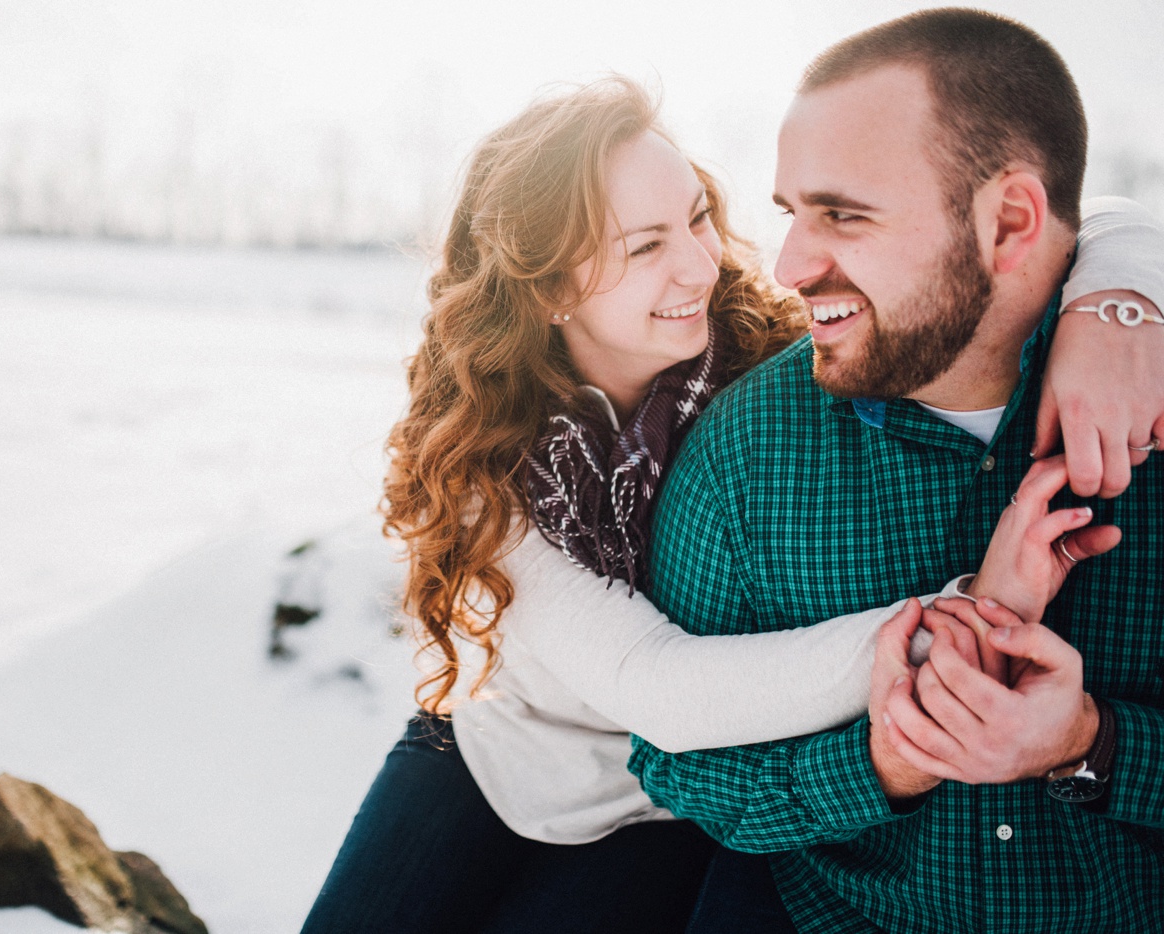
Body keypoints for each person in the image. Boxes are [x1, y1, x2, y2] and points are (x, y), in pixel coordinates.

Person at [302, 74, 1164, 933]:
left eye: (697, 215)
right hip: (507, 752)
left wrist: (1119, 309)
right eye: (645, 246)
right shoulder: (491, 462)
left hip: (676, 798)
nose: (699, 262)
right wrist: (967, 614)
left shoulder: (766, 366)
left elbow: (1095, 212)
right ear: (547, 289)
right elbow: (663, 687)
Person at [628, 9, 1164, 933]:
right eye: (792, 213)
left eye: (845, 214)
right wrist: (886, 762)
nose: (790, 266)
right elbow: (680, 768)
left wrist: (1092, 745)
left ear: (1008, 222)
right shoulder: (745, 455)